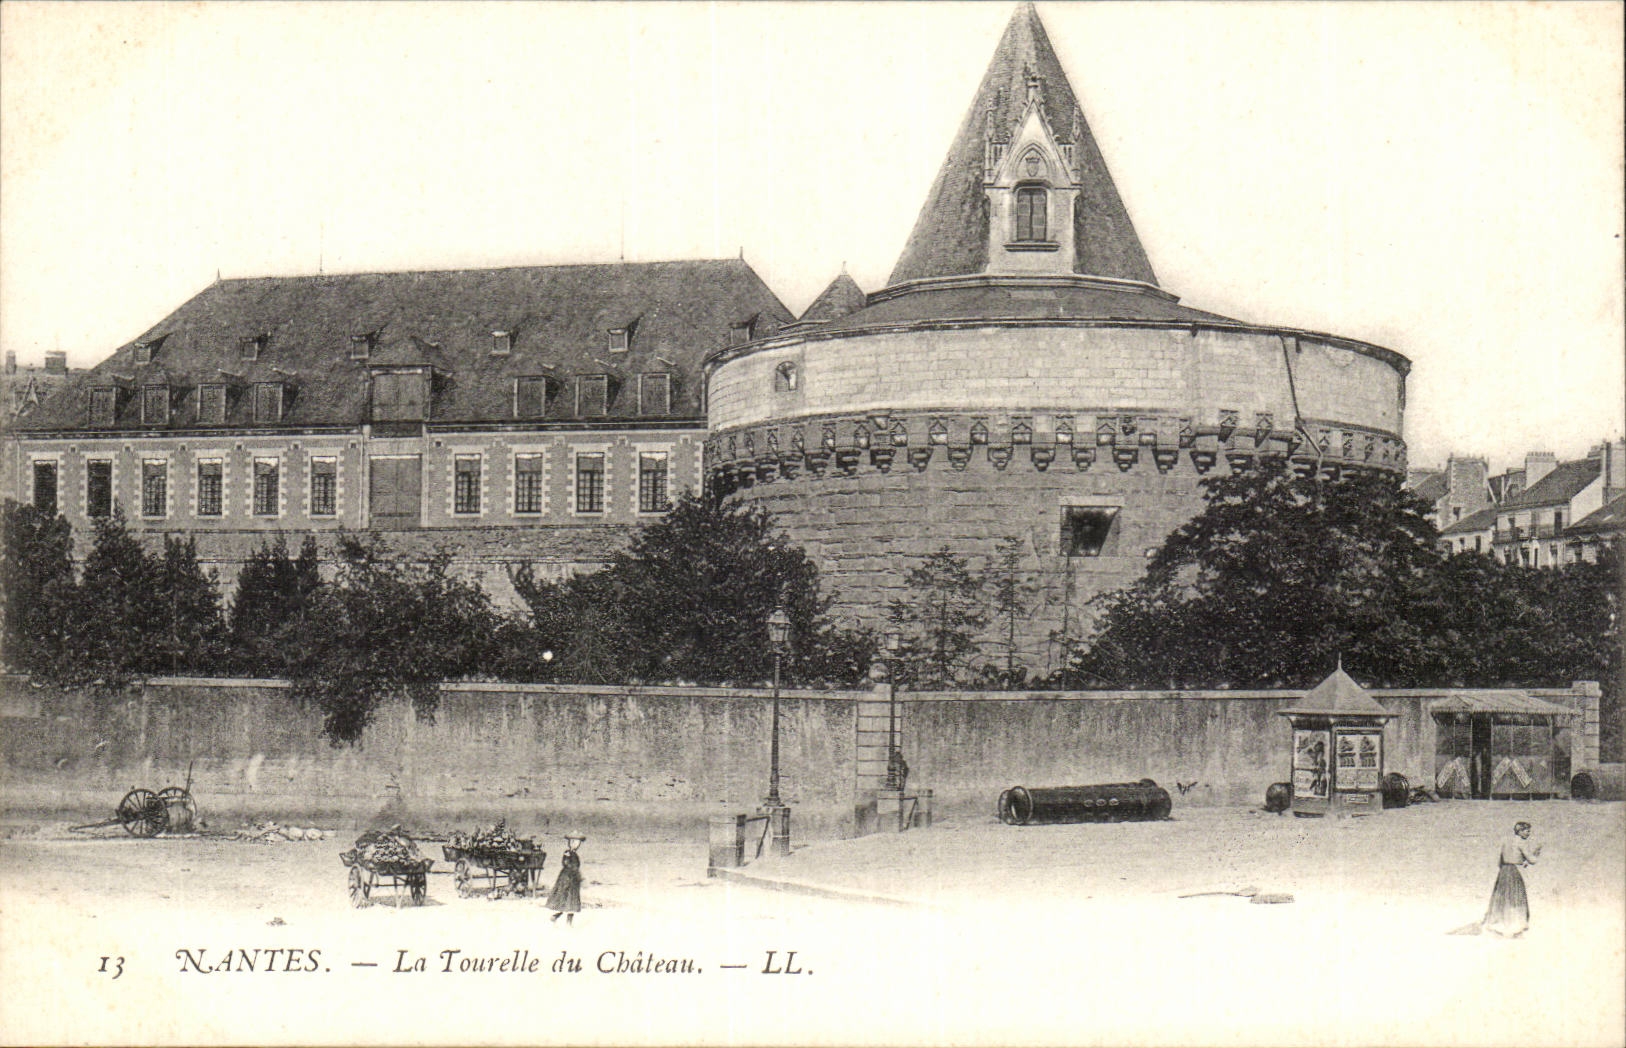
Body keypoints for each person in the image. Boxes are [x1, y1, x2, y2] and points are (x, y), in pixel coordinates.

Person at [1482, 821, 1540, 937]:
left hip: (1503, 872)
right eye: (1527, 831)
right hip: (1514, 872)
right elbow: (1532, 860)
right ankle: (1515, 927)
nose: (1528, 834)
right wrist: (1537, 852)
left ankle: (1498, 925)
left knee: (1502, 899)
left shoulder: (1506, 841)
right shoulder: (1521, 842)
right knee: (1516, 898)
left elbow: (1500, 861)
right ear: (1520, 831)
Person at [547, 843, 582, 925]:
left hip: (573, 878)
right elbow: (565, 863)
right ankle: (558, 917)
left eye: (578, 843)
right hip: (567, 878)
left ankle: (563, 920)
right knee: (567, 899)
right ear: (570, 843)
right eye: (574, 843)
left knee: (571, 900)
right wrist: (574, 870)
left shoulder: (574, 854)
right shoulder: (568, 853)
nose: (576, 845)